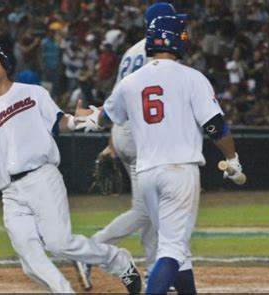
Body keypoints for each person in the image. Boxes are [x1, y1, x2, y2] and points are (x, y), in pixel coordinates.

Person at [0, 39, 142, 294]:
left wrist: (82, 121)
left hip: (42, 177)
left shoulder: (32, 93)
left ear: (2, 61)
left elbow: (60, 122)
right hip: (10, 193)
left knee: (60, 243)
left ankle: (119, 261)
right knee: (30, 259)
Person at [84, 14, 245, 294]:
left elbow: (105, 117)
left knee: (177, 251)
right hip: (179, 171)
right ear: (178, 40)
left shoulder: (131, 81)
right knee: (171, 249)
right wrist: (233, 159)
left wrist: (84, 117)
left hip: (146, 174)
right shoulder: (192, 78)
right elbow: (215, 127)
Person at [74, 3, 192, 291]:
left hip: (127, 131)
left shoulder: (132, 51)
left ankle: (153, 268)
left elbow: (119, 99)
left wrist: (112, 140)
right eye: (173, 21)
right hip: (142, 136)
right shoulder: (161, 53)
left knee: (151, 209)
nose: (180, 26)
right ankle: (91, 251)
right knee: (145, 210)